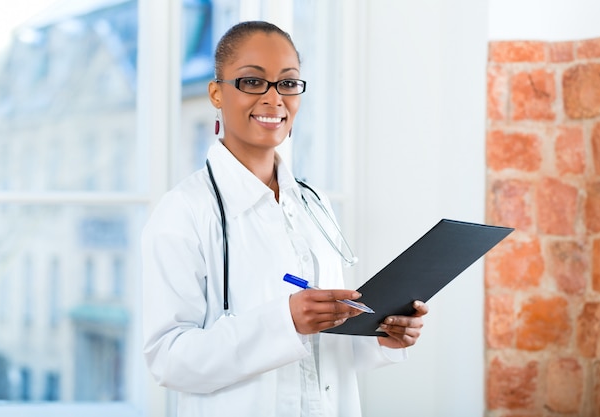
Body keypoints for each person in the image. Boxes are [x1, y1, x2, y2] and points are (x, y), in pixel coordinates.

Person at [141, 20, 428, 417]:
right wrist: (284, 320)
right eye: (252, 82)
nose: (274, 99)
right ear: (216, 94)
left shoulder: (314, 203)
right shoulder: (183, 212)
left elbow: (326, 346)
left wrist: (381, 335)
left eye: (288, 84)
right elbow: (168, 359)